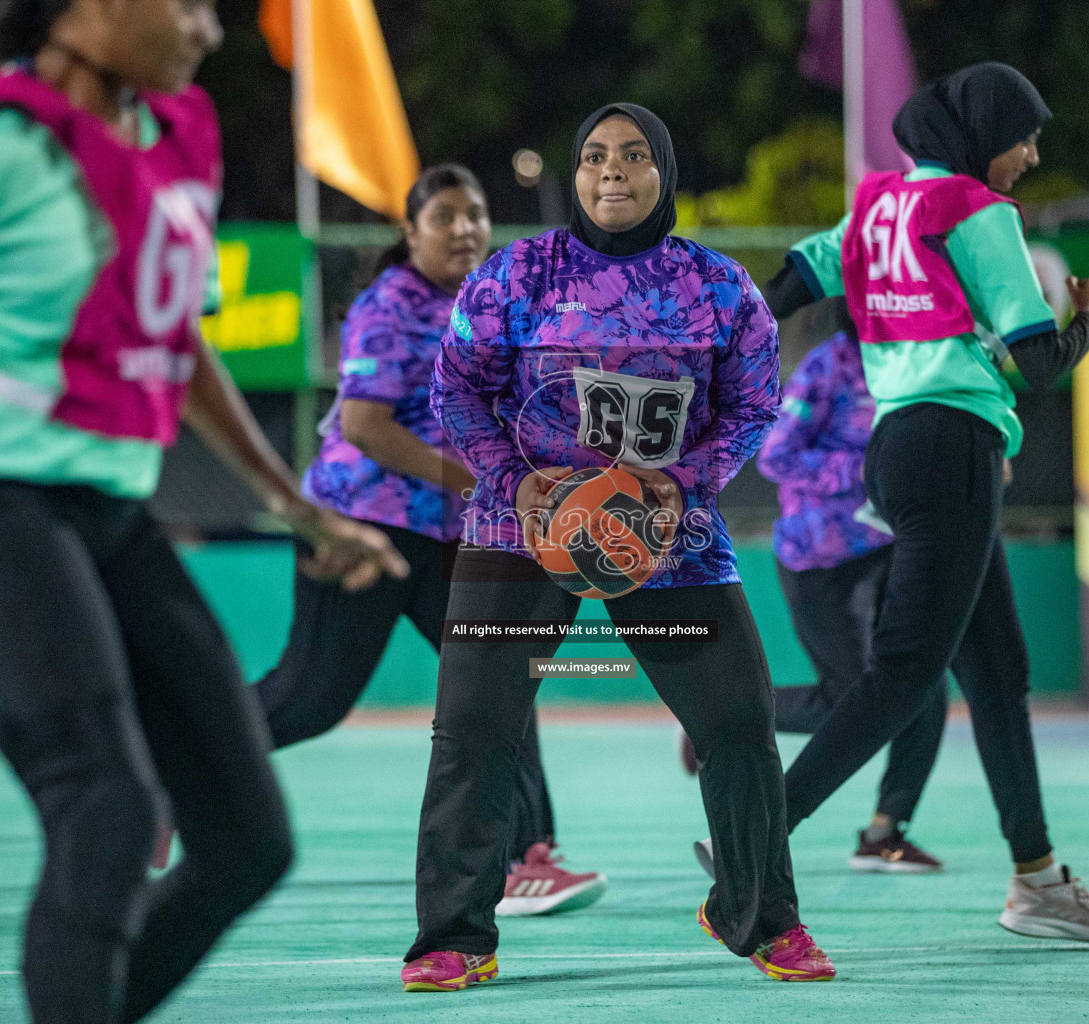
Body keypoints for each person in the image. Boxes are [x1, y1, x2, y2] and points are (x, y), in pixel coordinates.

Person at [0, 2, 406, 1021]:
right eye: (182, 5)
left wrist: (294, 506)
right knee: (107, 808)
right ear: (85, 13)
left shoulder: (175, 141)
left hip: (101, 507)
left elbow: (178, 343)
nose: (207, 30)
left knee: (245, 837)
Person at [399, 102, 836, 993]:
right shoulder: (517, 274)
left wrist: (684, 483)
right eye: (595, 155)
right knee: (474, 728)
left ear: (662, 175)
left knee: (739, 726)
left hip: (665, 532)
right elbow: (456, 387)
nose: (612, 171)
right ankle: (455, 936)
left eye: (634, 157)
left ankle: (760, 916)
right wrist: (516, 482)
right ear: (577, 171)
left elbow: (754, 403)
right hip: (522, 528)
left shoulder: (719, 289)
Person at [757, 62, 1089, 942]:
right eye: (1025, 136)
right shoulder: (979, 212)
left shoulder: (877, 206)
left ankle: (1038, 882)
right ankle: (759, 826)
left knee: (998, 676)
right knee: (902, 674)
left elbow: (791, 283)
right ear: (981, 136)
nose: (1033, 155)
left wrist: (719, 339)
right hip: (953, 445)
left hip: (897, 447)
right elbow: (1039, 363)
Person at [255, 163, 604, 917]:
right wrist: (479, 479)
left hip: (450, 536)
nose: (464, 229)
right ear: (410, 234)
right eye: (443, 216)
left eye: (474, 213)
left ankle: (526, 858)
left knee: (504, 672)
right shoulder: (389, 307)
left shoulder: (495, 305)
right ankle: (171, 766)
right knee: (310, 700)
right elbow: (362, 426)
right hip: (364, 525)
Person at [684, 326, 948, 877]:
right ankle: (719, 715)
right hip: (818, 556)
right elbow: (776, 456)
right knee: (851, 698)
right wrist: (864, 473)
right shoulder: (829, 367)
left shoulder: (921, 362)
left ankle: (885, 833)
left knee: (923, 685)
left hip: (889, 551)